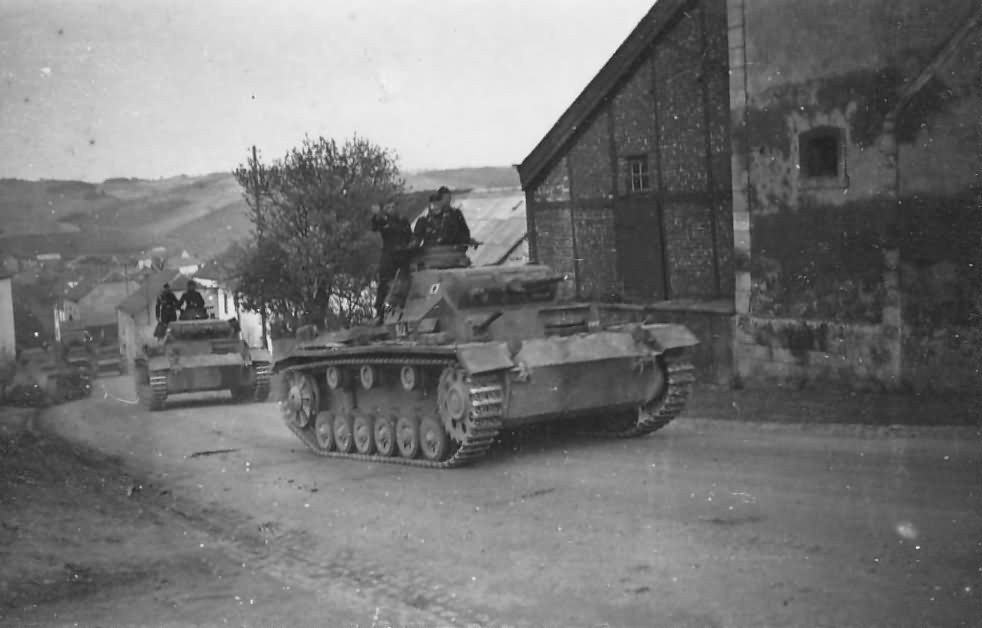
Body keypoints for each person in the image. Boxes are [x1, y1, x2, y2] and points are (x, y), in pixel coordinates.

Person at [370, 199, 413, 323]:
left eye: (393, 206)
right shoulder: (384, 220)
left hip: (403, 255)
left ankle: (401, 310)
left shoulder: (403, 221)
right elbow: (375, 225)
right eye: (388, 208)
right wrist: (377, 215)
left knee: (404, 283)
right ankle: (380, 313)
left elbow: (409, 236)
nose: (391, 209)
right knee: (384, 283)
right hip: (389, 255)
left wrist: (410, 246)